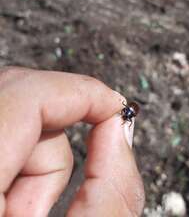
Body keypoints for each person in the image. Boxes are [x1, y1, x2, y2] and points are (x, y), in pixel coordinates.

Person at [0, 67, 145, 216]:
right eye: (125, 113)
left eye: (126, 115)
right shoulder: (126, 110)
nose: (124, 115)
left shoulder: (129, 112)